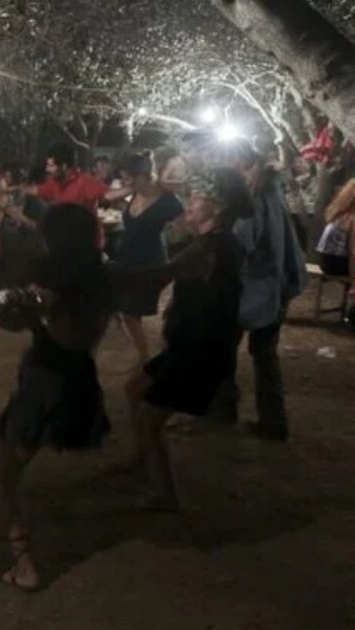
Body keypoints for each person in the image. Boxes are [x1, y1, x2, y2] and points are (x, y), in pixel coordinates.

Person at [0, 202, 118, 592]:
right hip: (75, 376)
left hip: (47, 384)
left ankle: (24, 566)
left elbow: (19, 319)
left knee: (7, 476)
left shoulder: (56, 285)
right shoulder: (97, 275)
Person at [127, 170, 249, 510]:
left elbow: (158, 276)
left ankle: (165, 495)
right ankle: (142, 459)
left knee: (150, 418)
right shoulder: (218, 243)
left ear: (217, 207)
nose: (189, 203)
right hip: (193, 344)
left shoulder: (211, 248)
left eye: (196, 198)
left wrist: (101, 273)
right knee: (135, 389)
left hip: (199, 350)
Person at [213, 147, 309, 441]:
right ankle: (272, 422)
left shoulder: (255, 199)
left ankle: (227, 411)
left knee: (227, 348)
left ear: (246, 163)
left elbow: (242, 244)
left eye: (235, 165)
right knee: (263, 353)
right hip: (277, 284)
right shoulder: (272, 190)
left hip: (257, 288)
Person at [113, 153, 184, 368]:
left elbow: (186, 229)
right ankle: (146, 357)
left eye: (128, 178)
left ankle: (147, 359)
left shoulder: (168, 201)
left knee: (130, 312)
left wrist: (171, 242)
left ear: (143, 176)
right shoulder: (134, 194)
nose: (125, 183)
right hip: (127, 259)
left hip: (150, 261)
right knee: (126, 311)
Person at [316, 178, 355, 319]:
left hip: (325, 261)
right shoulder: (352, 218)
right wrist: (353, 282)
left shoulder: (338, 213)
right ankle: (352, 313)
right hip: (336, 264)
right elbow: (352, 252)